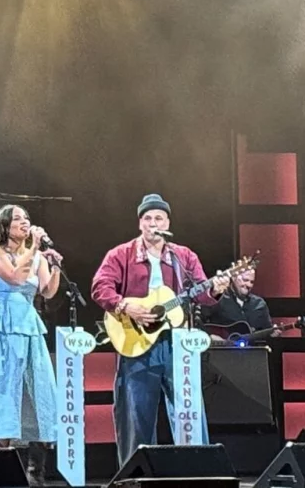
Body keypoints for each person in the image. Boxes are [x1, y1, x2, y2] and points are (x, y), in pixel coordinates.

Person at [92, 193, 229, 465]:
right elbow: (100, 287)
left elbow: (200, 293)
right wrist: (125, 306)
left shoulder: (183, 256)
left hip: (177, 342)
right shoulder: (121, 254)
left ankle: (197, 468)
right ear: (139, 223)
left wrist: (216, 289)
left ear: (168, 223)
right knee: (136, 412)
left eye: (159, 218)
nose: (153, 223)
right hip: (136, 341)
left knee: (188, 408)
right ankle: (135, 474)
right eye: (147, 218)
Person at [0, 205, 62, 482]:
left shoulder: (36, 256)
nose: (25, 222)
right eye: (18, 219)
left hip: (28, 325)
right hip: (2, 325)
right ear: (5, 225)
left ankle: (35, 472)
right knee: (2, 390)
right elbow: (16, 277)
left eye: (27, 218)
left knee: (37, 389)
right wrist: (35, 247)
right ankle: (0, 470)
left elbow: (47, 292)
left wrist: (54, 267)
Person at [207, 265, 275, 334]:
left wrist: (273, 333)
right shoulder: (218, 299)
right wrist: (212, 336)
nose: (249, 285)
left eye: (251, 282)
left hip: (253, 341)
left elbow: (268, 331)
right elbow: (203, 322)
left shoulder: (259, 304)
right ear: (233, 277)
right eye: (245, 280)